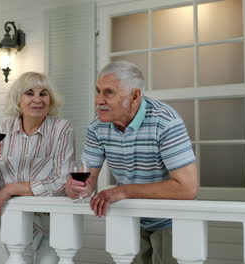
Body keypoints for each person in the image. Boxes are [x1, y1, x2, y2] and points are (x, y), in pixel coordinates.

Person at [65, 61, 198, 264]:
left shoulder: (166, 122)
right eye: (98, 91)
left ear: (134, 96)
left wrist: (123, 191)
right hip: (130, 217)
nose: (98, 100)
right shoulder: (97, 127)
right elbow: (87, 179)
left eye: (108, 92)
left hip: (171, 219)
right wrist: (77, 188)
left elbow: (187, 188)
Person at [0, 72, 75, 264]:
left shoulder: (62, 129)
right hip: (14, 217)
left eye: (43, 94)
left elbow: (61, 182)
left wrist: (11, 189)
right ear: (18, 100)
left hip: (51, 221)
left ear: (51, 100)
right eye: (29, 93)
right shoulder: (3, 129)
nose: (37, 99)